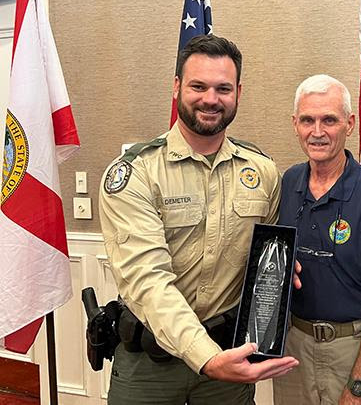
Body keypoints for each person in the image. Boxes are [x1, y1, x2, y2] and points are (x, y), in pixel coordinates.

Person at [99, 34, 298, 405]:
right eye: (198, 86)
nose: (211, 99)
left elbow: (264, 261)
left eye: (223, 88)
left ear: (238, 92)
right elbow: (148, 280)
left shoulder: (263, 170)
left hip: (229, 361)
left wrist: (283, 271)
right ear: (176, 87)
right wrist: (205, 357)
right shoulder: (136, 173)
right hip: (151, 365)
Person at [272, 75, 361, 404]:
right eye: (307, 120)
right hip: (295, 352)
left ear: (349, 124)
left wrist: (357, 388)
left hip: (355, 349)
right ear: (295, 124)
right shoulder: (288, 183)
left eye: (329, 120)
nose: (317, 132)